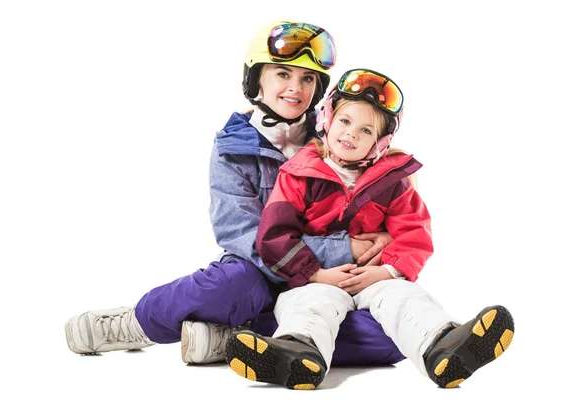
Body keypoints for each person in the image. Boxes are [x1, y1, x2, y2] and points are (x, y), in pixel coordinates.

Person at [65, 21, 405, 368]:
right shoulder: (232, 149)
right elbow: (243, 234)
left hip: (328, 280)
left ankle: (233, 337)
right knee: (230, 284)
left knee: (391, 336)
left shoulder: (341, 134)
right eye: (283, 75)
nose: (295, 88)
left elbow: (382, 201)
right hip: (260, 270)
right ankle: (137, 322)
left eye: (307, 79)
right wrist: (338, 251)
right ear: (257, 78)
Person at [225, 68, 515, 390]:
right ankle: (297, 351)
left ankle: (443, 345)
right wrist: (314, 274)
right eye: (345, 122)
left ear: (380, 142)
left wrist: (388, 272)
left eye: (366, 130)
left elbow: (414, 233)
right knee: (310, 306)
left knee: (405, 299)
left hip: (373, 277)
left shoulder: (393, 180)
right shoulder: (297, 174)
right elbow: (274, 235)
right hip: (314, 277)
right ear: (327, 120)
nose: (352, 134)